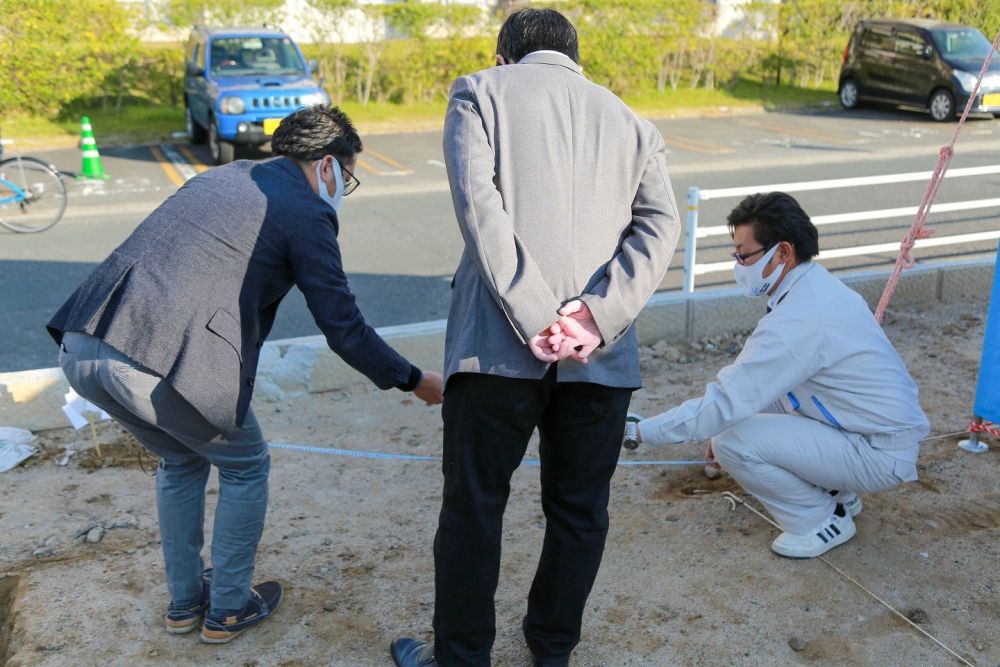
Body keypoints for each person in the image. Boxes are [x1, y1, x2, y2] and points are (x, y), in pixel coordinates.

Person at [47, 105, 444, 644]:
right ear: (327, 166)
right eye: (346, 178)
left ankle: (186, 601)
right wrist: (415, 380)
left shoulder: (216, 178)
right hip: (153, 362)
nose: (342, 191)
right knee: (245, 466)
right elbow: (343, 326)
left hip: (82, 341)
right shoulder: (306, 211)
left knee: (182, 458)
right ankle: (229, 607)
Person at [391, 8, 680, 667]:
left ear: (503, 56)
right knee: (580, 511)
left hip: (496, 346)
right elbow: (660, 231)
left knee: (473, 508)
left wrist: (536, 316)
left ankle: (462, 658)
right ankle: (551, 650)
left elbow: (479, 208)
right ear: (576, 62)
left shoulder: (479, 92)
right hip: (600, 357)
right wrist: (593, 318)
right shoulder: (635, 124)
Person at [632, 192, 929, 559]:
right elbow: (766, 389)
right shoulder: (815, 287)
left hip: (877, 452)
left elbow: (729, 399)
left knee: (733, 441)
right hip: (866, 432)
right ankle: (838, 492)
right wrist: (725, 419)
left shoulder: (801, 318)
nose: (738, 264)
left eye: (744, 255)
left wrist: (640, 432)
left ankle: (820, 519)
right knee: (738, 422)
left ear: (783, 252)